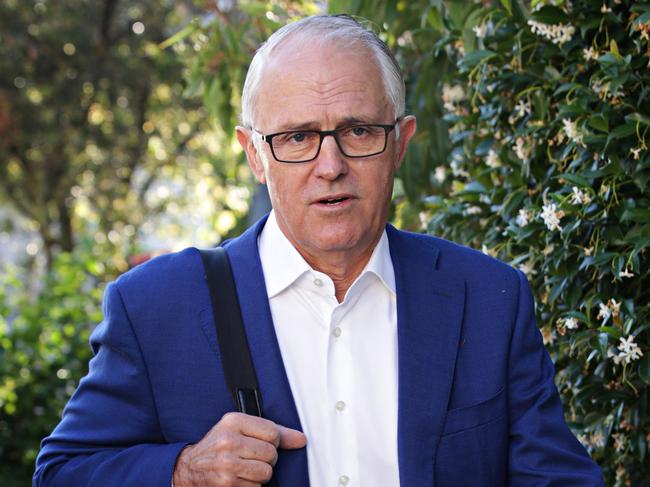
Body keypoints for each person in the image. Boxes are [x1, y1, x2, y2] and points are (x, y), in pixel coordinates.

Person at [34, 14, 603, 487]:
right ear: (255, 155)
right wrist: (183, 470)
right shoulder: (156, 307)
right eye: (297, 138)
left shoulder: (488, 298)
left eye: (358, 131)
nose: (330, 167)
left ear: (400, 143)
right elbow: (62, 472)